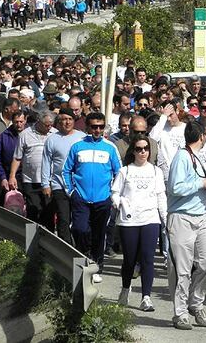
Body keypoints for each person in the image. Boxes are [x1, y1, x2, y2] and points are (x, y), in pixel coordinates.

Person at [165, 120, 206, 330]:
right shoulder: (181, 156)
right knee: (182, 269)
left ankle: (195, 302)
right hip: (181, 217)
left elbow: (194, 185)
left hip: (202, 215)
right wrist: (201, 183)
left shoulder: (195, 157)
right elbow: (175, 187)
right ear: (202, 136)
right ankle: (180, 313)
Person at [62, 112, 121, 284]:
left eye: (101, 127)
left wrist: (113, 193)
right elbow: (66, 170)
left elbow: (119, 172)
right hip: (80, 197)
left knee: (99, 233)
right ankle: (84, 259)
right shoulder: (77, 146)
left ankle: (96, 265)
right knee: (80, 229)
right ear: (88, 127)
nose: (97, 130)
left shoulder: (110, 147)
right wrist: (71, 191)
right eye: (94, 127)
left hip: (103, 198)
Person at [112, 136, 167, 312]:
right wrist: (118, 201)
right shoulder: (125, 171)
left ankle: (146, 297)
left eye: (145, 148)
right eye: (138, 149)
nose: (142, 152)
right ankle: (125, 288)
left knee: (147, 259)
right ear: (133, 151)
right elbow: (114, 192)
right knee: (129, 259)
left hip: (150, 219)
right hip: (129, 220)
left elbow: (161, 196)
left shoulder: (156, 171)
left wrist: (165, 218)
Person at [41, 108, 86, 243]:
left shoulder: (82, 137)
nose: (67, 122)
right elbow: (46, 162)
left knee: (79, 220)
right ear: (59, 122)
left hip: (79, 186)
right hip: (59, 185)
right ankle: (66, 249)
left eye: (70, 119)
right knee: (63, 218)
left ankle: (81, 248)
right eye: (63, 120)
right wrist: (45, 184)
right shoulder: (52, 139)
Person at [9, 110, 55, 226]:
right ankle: (31, 240)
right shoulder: (25, 134)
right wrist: (12, 176)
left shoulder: (55, 134)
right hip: (30, 180)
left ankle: (47, 241)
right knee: (33, 211)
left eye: (51, 124)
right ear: (39, 121)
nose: (49, 127)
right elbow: (17, 157)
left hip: (49, 180)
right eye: (46, 125)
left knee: (48, 213)